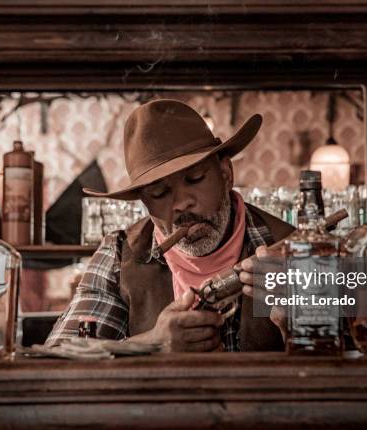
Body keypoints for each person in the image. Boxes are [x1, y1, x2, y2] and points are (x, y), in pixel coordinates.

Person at [46, 99, 295, 352]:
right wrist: (151, 345)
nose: (180, 204)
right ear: (144, 201)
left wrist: (299, 318)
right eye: (159, 193)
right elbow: (61, 362)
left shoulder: (295, 247)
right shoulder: (120, 255)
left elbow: (335, 364)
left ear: (226, 174)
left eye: (195, 179)